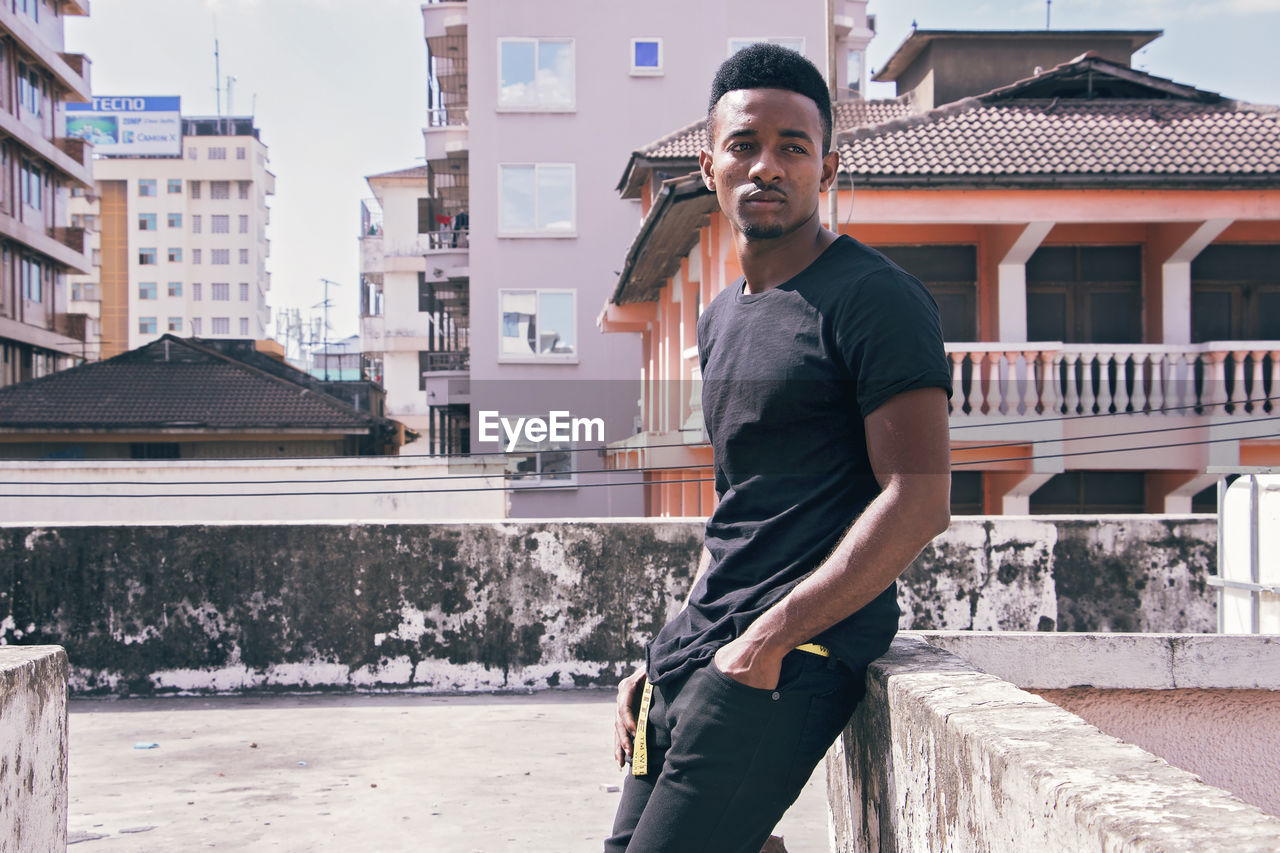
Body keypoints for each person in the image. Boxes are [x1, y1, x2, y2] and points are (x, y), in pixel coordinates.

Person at [605, 44, 953, 853]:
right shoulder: (721, 316)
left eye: (792, 147)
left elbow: (919, 500)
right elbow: (740, 507)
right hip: (704, 650)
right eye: (745, 145)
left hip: (794, 653)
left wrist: (769, 638)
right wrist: (666, 653)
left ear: (825, 167)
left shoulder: (876, 299)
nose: (767, 166)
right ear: (709, 166)